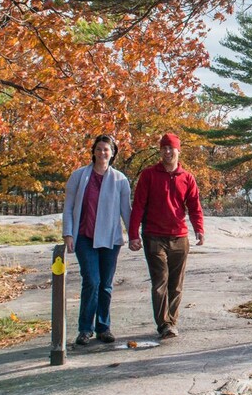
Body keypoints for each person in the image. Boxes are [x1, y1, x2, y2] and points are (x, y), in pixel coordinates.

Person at [129, 132, 205, 339]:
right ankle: (164, 324)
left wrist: (199, 228)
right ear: (160, 151)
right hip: (154, 236)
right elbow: (138, 206)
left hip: (179, 237)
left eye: (172, 148)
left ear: (179, 151)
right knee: (160, 281)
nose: (168, 151)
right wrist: (133, 233)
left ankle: (172, 321)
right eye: (164, 148)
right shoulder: (149, 175)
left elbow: (194, 206)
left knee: (176, 284)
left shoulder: (187, 178)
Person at [62, 134, 131, 346]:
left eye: (107, 150)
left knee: (106, 285)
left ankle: (103, 327)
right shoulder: (79, 176)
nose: (102, 153)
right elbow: (69, 207)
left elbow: (125, 211)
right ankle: (85, 329)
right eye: (99, 149)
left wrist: (134, 235)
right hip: (85, 237)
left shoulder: (120, 179)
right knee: (92, 281)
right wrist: (68, 234)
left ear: (113, 154)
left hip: (110, 240)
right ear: (93, 151)